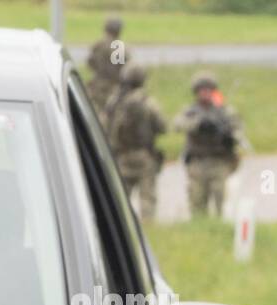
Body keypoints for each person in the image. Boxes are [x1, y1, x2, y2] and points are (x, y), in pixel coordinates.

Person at [173, 72, 243, 218]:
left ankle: (218, 227)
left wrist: (228, 136)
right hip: (198, 162)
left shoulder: (224, 112)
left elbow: (238, 130)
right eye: (202, 90)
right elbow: (177, 124)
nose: (205, 93)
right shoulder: (190, 111)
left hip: (219, 162)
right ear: (196, 92)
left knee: (220, 200)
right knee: (197, 201)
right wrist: (199, 124)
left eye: (208, 90)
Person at [105, 64, 165, 221]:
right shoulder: (147, 101)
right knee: (147, 198)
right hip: (144, 155)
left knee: (120, 200)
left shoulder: (114, 101)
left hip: (120, 156)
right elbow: (162, 127)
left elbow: (104, 125)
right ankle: (149, 229)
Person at [86, 17, 125, 112]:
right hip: (112, 89)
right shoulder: (117, 46)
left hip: (96, 86)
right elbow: (120, 69)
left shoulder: (98, 45)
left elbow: (90, 62)